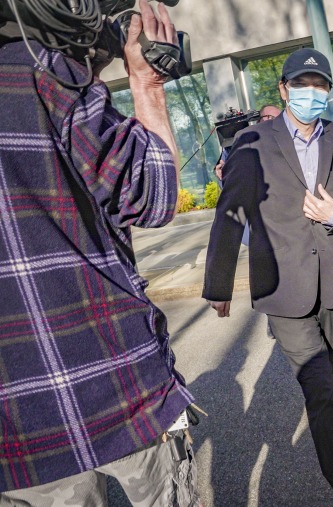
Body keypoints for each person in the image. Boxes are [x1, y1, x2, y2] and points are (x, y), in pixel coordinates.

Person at [0, 1, 199, 504]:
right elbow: (152, 195)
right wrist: (147, 85)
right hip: (110, 385)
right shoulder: (39, 73)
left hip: (16, 436)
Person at [203, 48, 333, 506]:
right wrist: (218, 284)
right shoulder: (253, 142)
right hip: (282, 289)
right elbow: (230, 214)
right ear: (284, 89)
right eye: (302, 85)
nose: (312, 94)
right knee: (320, 389)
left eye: (320, 86)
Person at [214, 104, 281, 181]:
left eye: (279, 119)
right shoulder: (236, 147)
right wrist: (223, 175)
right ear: (259, 121)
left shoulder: (285, 143)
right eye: (270, 117)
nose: (273, 121)